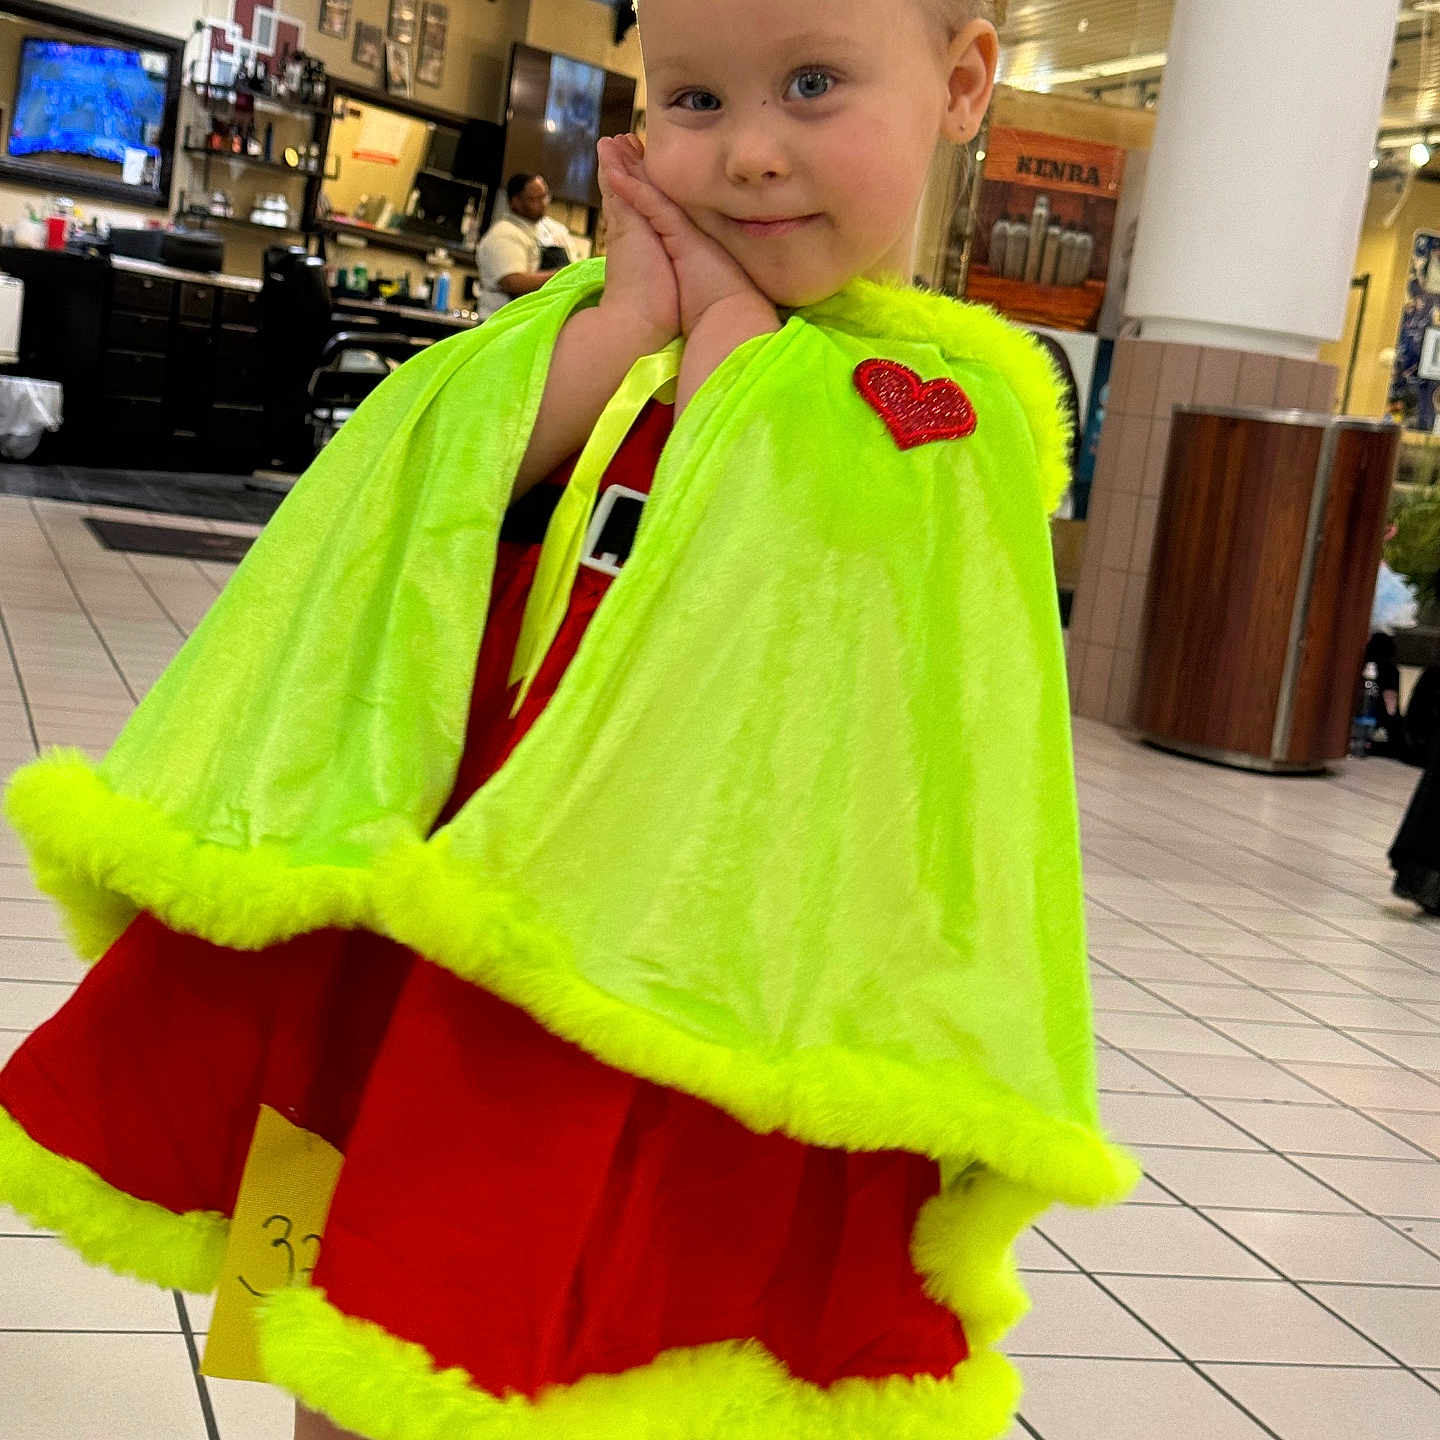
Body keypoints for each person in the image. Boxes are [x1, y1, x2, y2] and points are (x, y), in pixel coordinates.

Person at [0, 2, 1134, 1438]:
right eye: (695, 100)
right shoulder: (599, 325)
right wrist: (631, 328)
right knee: (321, 1271)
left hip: (673, 976)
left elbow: (791, 543)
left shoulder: (944, 406)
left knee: (567, 1311)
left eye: (811, 85)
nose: (751, 155)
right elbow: (421, 496)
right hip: (419, 917)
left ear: (963, 84)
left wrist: (724, 329)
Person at [474, 172, 576, 320]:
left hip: (538, 321)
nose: (542, 203)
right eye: (534, 199)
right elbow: (513, 282)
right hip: (502, 324)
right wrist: (562, 275)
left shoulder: (555, 230)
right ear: (515, 201)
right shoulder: (502, 234)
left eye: (544, 196)